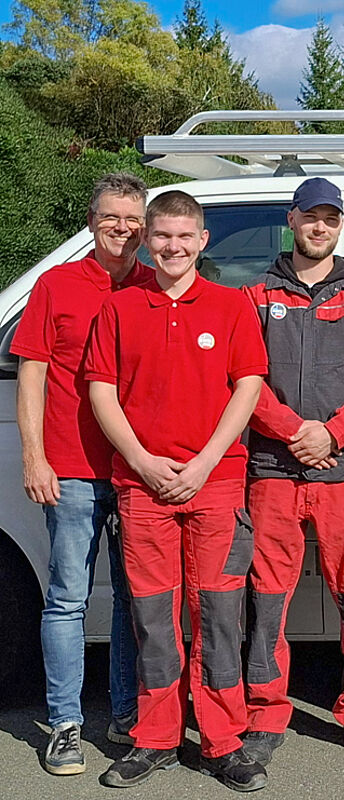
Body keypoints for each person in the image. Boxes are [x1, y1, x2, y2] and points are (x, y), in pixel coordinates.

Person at [86, 190, 268, 791]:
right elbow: (102, 392)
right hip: (142, 489)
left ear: (203, 240)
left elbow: (247, 387)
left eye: (184, 236)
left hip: (215, 484)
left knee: (216, 615)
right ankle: (156, 737)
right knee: (153, 619)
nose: (173, 247)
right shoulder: (118, 309)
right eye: (162, 236)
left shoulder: (230, 305)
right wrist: (140, 460)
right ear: (147, 239)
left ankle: (222, 740)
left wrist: (205, 460)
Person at [241, 177, 344, 767]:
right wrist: (293, 433)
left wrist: (330, 434)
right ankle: (264, 714)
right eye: (311, 217)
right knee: (268, 598)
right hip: (273, 471)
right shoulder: (254, 295)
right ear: (293, 219)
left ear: (340, 225)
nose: (320, 227)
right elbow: (245, 379)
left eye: (331, 219)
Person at [11, 174, 148, 776]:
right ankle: (65, 723)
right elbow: (32, 375)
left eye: (132, 219)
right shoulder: (56, 284)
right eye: (111, 218)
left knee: (130, 597)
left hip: (139, 468)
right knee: (67, 598)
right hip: (70, 467)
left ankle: (123, 712)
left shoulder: (155, 283)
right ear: (91, 223)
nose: (122, 228)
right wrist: (33, 456)